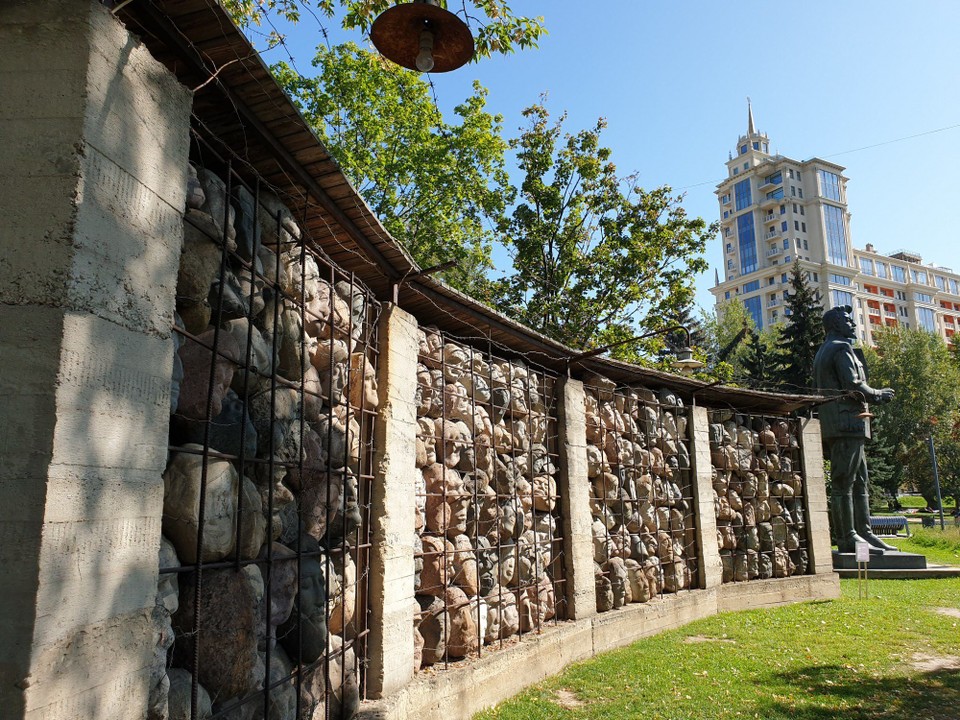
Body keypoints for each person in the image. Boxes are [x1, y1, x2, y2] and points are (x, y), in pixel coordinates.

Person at [813, 305, 895, 554]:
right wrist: (879, 394)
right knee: (844, 482)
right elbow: (854, 385)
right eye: (848, 321)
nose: (854, 324)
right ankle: (848, 537)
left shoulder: (828, 349)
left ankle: (865, 533)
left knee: (860, 481)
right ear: (836, 324)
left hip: (848, 425)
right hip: (846, 423)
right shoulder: (840, 348)